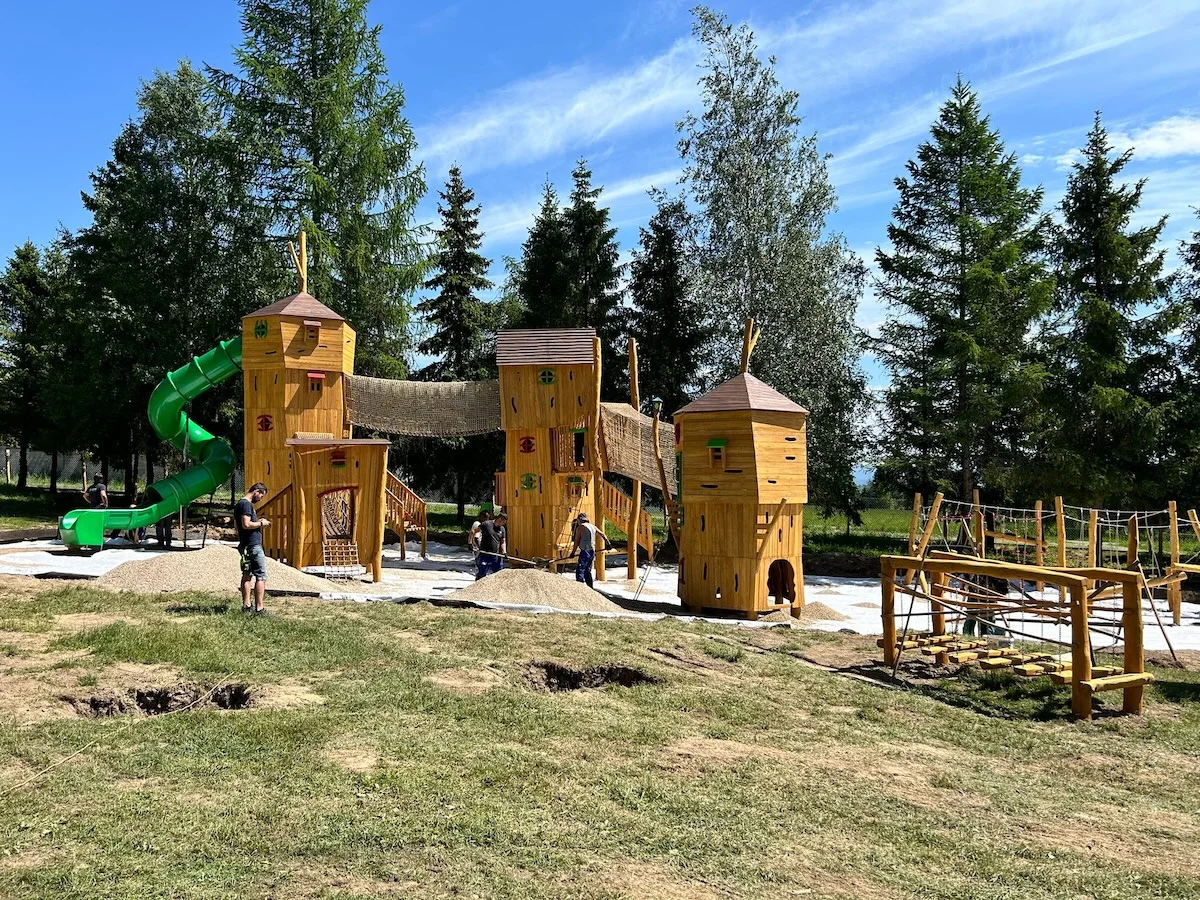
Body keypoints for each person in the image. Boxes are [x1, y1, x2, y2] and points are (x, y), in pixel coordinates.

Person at [234, 483, 271, 614]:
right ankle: (259, 608)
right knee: (261, 576)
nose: (261, 498)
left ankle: (246, 607)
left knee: (247, 575)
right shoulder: (246, 504)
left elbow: (237, 526)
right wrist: (261, 523)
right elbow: (246, 524)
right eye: (261, 495)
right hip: (253, 546)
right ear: (256, 491)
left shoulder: (239, 504)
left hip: (245, 545)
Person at [569, 512, 608, 589]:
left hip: (585, 551)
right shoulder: (593, 526)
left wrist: (573, 553)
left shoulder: (580, 528)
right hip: (592, 551)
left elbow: (576, 541)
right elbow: (602, 534)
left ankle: (580, 587)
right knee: (588, 570)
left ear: (580, 520)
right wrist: (608, 544)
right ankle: (590, 587)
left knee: (581, 568)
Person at [475, 510, 507, 580]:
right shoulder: (486, 524)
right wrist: (472, 542)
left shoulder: (502, 529)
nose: (503, 524)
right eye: (503, 522)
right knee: (482, 572)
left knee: (498, 573)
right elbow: (475, 531)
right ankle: (478, 585)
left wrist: (504, 552)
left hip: (496, 555)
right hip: (485, 553)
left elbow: (503, 541)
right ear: (499, 519)